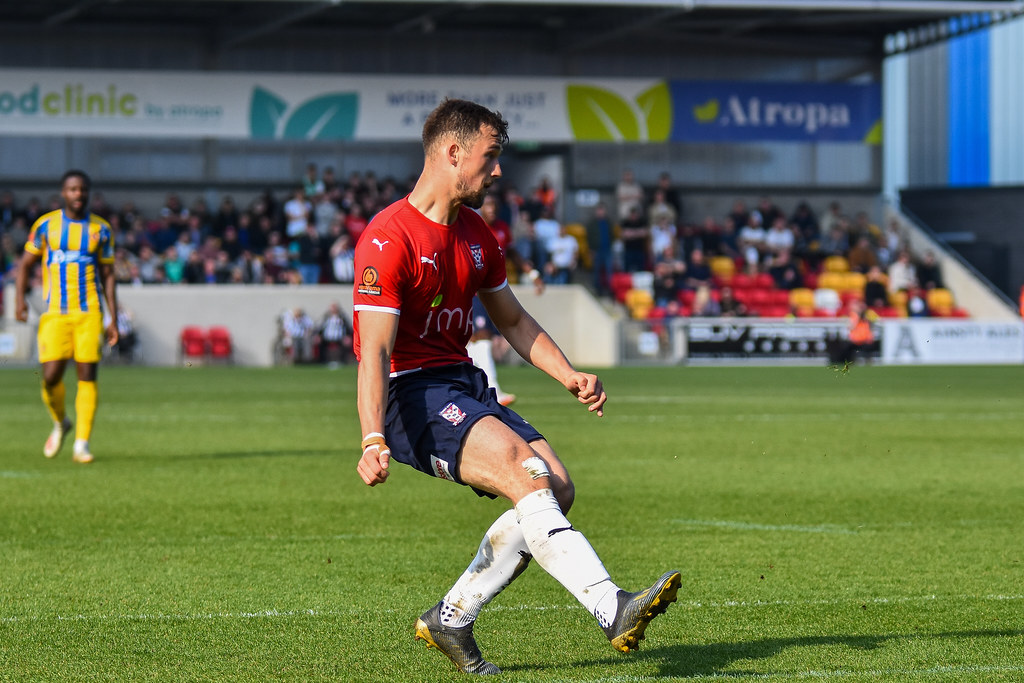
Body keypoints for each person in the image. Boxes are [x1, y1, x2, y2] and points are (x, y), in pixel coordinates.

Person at [352, 99, 680, 676]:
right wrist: (372, 438)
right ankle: (611, 606)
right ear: (453, 153)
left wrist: (569, 374)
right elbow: (375, 351)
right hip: (411, 396)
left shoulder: (477, 233)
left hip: (461, 383)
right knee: (516, 465)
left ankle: (452, 617)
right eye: (491, 156)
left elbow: (513, 320)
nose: (498, 170)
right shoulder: (387, 239)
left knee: (554, 484)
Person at [14, 170, 118, 464]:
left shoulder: (101, 230)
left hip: (89, 313)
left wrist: (113, 316)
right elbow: (25, 265)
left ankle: (81, 444)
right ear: (64, 192)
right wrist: (20, 300)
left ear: (88, 193)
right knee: (50, 378)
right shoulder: (46, 226)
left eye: (83, 189)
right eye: (73, 189)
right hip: (56, 314)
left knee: (87, 375)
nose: (78, 194)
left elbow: (108, 274)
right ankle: (62, 422)